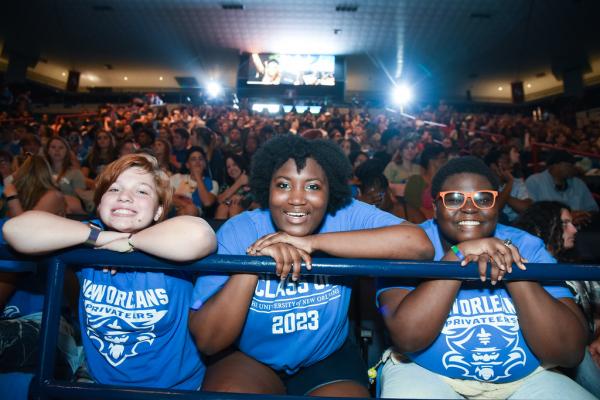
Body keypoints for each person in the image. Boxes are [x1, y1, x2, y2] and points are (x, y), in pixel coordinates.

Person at [189, 134, 433, 397]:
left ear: (331, 192)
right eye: (283, 185)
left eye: (313, 187)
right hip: (251, 358)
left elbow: (420, 246)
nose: (297, 199)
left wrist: (313, 242)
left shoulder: (346, 215)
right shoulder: (240, 229)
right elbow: (208, 340)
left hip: (326, 356)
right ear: (266, 188)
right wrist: (255, 264)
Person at [377, 156, 593, 399]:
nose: (469, 207)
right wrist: (458, 255)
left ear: (496, 206)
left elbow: (567, 352)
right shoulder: (411, 244)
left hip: (529, 376)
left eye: (483, 198)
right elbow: (409, 338)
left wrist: (512, 265)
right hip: (424, 371)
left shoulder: (527, 245)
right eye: (454, 198)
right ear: (436, 208)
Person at [2, 154, 217, 389]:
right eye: (114, 189)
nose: (125, 196)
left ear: (158, 211)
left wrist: (130, 242)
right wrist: (101, 238)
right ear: (101, 202)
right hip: (100, 385)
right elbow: (15, 229)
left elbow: (201, 235)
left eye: (142, 191)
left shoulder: (171, 239)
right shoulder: (89, 237)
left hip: (174, 389)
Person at [514, 201, 600, 398]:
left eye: (572, 222)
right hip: (546, 351)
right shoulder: (523, 269)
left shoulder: (574, 268)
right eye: (565, 223)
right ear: (541, 227)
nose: (574, 229)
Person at [525, 150, 598, 226]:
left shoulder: (578, 183)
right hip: (549, 230)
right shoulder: (534, 181)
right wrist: (568, 218)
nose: (574, 167)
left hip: (580, 229)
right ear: (555, 165)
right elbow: (532, 213)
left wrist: (583, 215)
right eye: (570, 164)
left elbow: (593, 210)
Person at [44, 136, 89, 215]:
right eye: (53, 147)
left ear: (67, 152)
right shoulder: (42, 171)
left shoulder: (75, 173)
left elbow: (81, 197)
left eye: (61, 148)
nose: (57, 150)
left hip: (69, 212)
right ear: (48, 151)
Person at [170, 147, 219, 217]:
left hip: (194, 215)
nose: (197, 162)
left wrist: (198, 177)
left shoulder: (213, 183)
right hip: (172, 211)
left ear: (205, 164)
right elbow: (165, 196)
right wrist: (185, 204)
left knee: (191, 209)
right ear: (187, 165)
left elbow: (207, 202)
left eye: (200, 159)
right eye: (193, 159)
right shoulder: (177, 177)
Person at [214, 154, 255, 220]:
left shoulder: (252, 181)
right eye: (228, 167)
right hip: (225, 213)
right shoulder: (226, 185)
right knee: (222, 208)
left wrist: (240, 199)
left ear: (241, 165)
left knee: (234, 207)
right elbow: (219, 200)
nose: (232, 169)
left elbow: (253, 201)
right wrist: (239, 183)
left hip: (248, 214)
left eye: (234, 165)